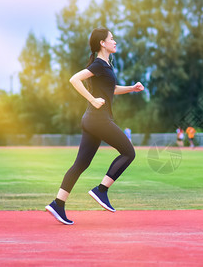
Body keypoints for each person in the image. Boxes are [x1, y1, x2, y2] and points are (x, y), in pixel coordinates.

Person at [45, 28, 145, 225]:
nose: (114, 41)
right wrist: (92, 99)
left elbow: (111, 89)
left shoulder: (106, 65)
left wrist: (132, 88)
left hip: (92, 119)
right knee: (128, 152)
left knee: (81, 164)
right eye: (111, 38)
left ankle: (58, 203)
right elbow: (74, 79)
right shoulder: (99, 64)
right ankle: (101, 190)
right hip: (98, 119)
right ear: (102, 43)